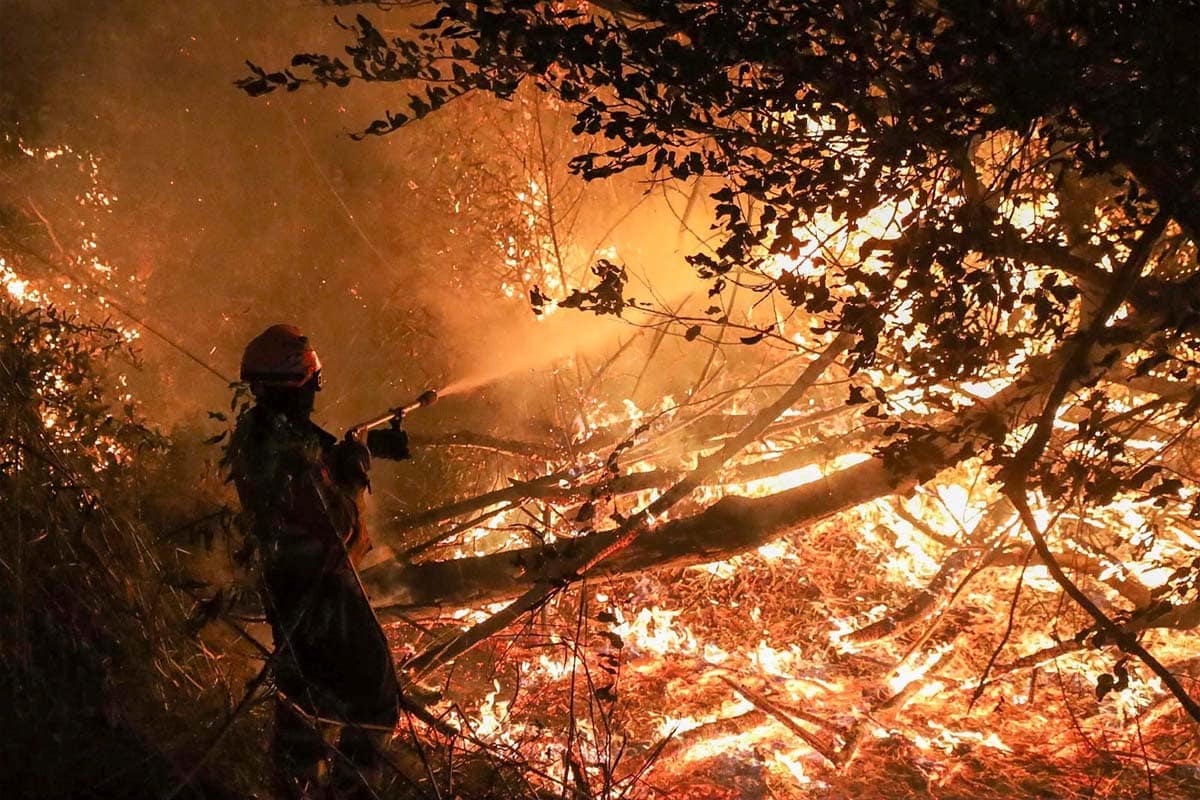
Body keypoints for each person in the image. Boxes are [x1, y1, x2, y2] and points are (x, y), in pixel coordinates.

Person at [228, 324, 409, 799]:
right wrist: (354, 474)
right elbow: (338, 527)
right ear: (294, 386)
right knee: (375, 698)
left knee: (302, 702)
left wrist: (361, 450)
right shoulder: (288, 451)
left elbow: (309, 468)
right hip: (322, 593)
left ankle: (292, 790)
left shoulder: (254, 432)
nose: (318, 390)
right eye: (312, 382)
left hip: (284, 591)